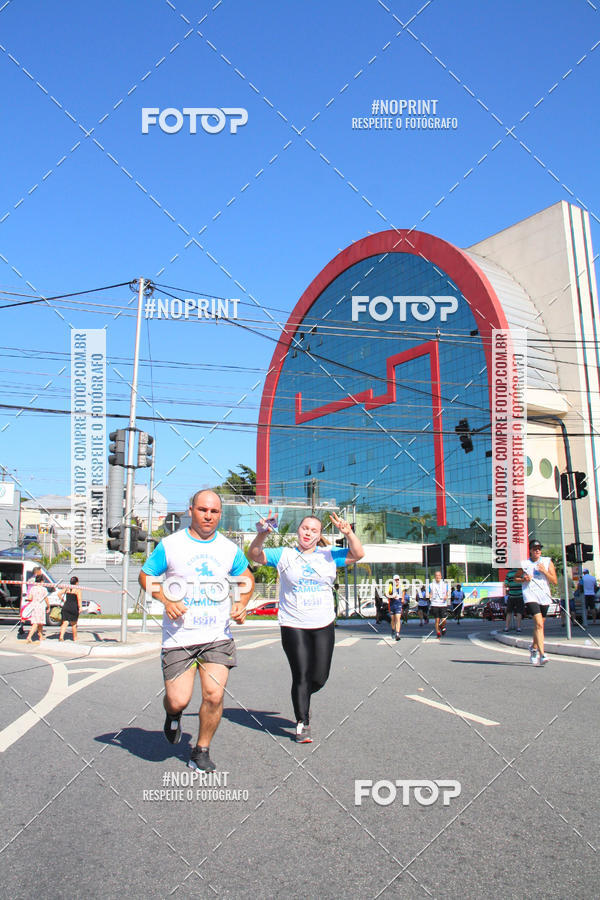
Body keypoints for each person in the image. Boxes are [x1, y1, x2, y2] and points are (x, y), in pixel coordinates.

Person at [139, 490, 254, 772]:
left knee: (214, 695)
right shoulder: (171, 545)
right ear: (191, 510)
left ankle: (201, 750)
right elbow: (145, 575)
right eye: (203, 510)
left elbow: (247, 577)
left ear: (219, 514)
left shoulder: (228, 548)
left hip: (217, 637)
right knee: (179, 699)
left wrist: (241, 602)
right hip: (180, 636)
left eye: (214, 512)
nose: (208, 516)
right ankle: (173, 713)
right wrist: (166, 599)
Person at [248, 510, 364, 743]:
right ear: (298, 531)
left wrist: (348, 533)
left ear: (319, 534)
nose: (308, 533)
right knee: (300, 674)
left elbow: (358, 554)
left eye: (314, 530)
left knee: (319, 677)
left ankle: (303, 698)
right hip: (293, 624)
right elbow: (254, 555)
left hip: (322, 623)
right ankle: (302, 722)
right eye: (304, 528)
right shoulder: (284, 554)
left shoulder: (329, 554)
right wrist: (262, 534)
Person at [516, 539, 557, 666]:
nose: (537, 550)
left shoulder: (547, 561)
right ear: (530, 550)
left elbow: (554, 580)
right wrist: (523, 579)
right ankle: (542, 654)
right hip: (530, 595)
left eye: (539, 548)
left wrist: (544, 571)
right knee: (539, 624)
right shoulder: (524, 564)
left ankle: (533, 648)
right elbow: (515, 578)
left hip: (544, 596)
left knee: (540, 625)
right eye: (535, 549)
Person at [24, 574, 50, 643]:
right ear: (42, 581)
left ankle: (40, 636)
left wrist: (27, 600)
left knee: (39, 623)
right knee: (36, 623)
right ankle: (29, 637)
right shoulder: (44, 589)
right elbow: (46, 599)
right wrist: (48, 606)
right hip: (41, 606)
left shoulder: (33, 588)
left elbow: (30, 598)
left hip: (34, 606)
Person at [58, 575, 82, 641]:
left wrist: (63, 600)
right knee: (74, 624)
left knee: (65, 623)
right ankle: (75, 638)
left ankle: (61, 637)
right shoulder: (78, 590)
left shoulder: (67, 588)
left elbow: (59, 594)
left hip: (66, 606)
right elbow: (79, 599)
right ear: (76, 582)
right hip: (74, 607)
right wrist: (80, 608)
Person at [429, 571, 450, 639]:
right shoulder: (431, 585)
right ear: (435, 577)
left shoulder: (444, 584)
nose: (437, 577)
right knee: (437, 620)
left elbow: (448, 592)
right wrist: (429, 596)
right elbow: (429, 593)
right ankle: (438, 633)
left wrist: (446, 596)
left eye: (439, 575)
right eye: (436, 575)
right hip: (435, 604)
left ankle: (442, 626)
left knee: (444, 620)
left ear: (441, 576)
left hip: (443, 604)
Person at [504, 568, 524, 633]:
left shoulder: (509, 573)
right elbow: (524, 581)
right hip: (520, 595)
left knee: (509, 612)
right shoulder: (521, 573)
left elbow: (506, 584)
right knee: (519, 612)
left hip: (511, 595)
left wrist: (511, 584)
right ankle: (519, 627)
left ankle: (507, 627)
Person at [387, 575, 403, 641]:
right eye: (395, 580)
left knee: (398, 619)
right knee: (393, 619)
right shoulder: (390, 586)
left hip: (398, 604)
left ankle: (397, 634)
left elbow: (404, 593)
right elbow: (387, 594)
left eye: (397, 580)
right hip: (392, 604)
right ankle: (393, 630)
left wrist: (403, 599)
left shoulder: (401, 586)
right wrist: (391, 596)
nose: (396, 581)